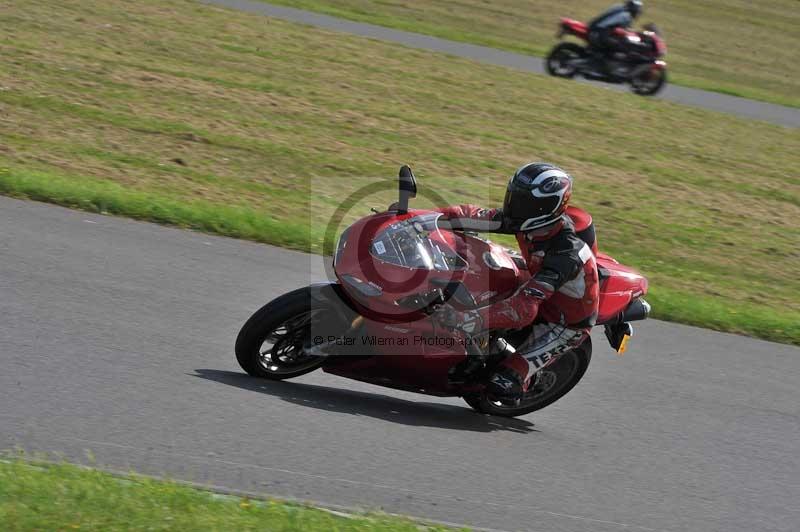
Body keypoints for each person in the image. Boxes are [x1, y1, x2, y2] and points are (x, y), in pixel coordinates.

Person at [434, 163, 600, 404]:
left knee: (502, 384)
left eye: (523, 202)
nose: (513, 207)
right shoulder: (528, 221)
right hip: (536, 279)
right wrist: (426, 218)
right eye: (514, 197)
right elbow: (473, 215)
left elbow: (524, 308)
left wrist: (468, 320)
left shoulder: (567, 254)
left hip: (563, 322)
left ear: (546, 208)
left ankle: (525, 381)